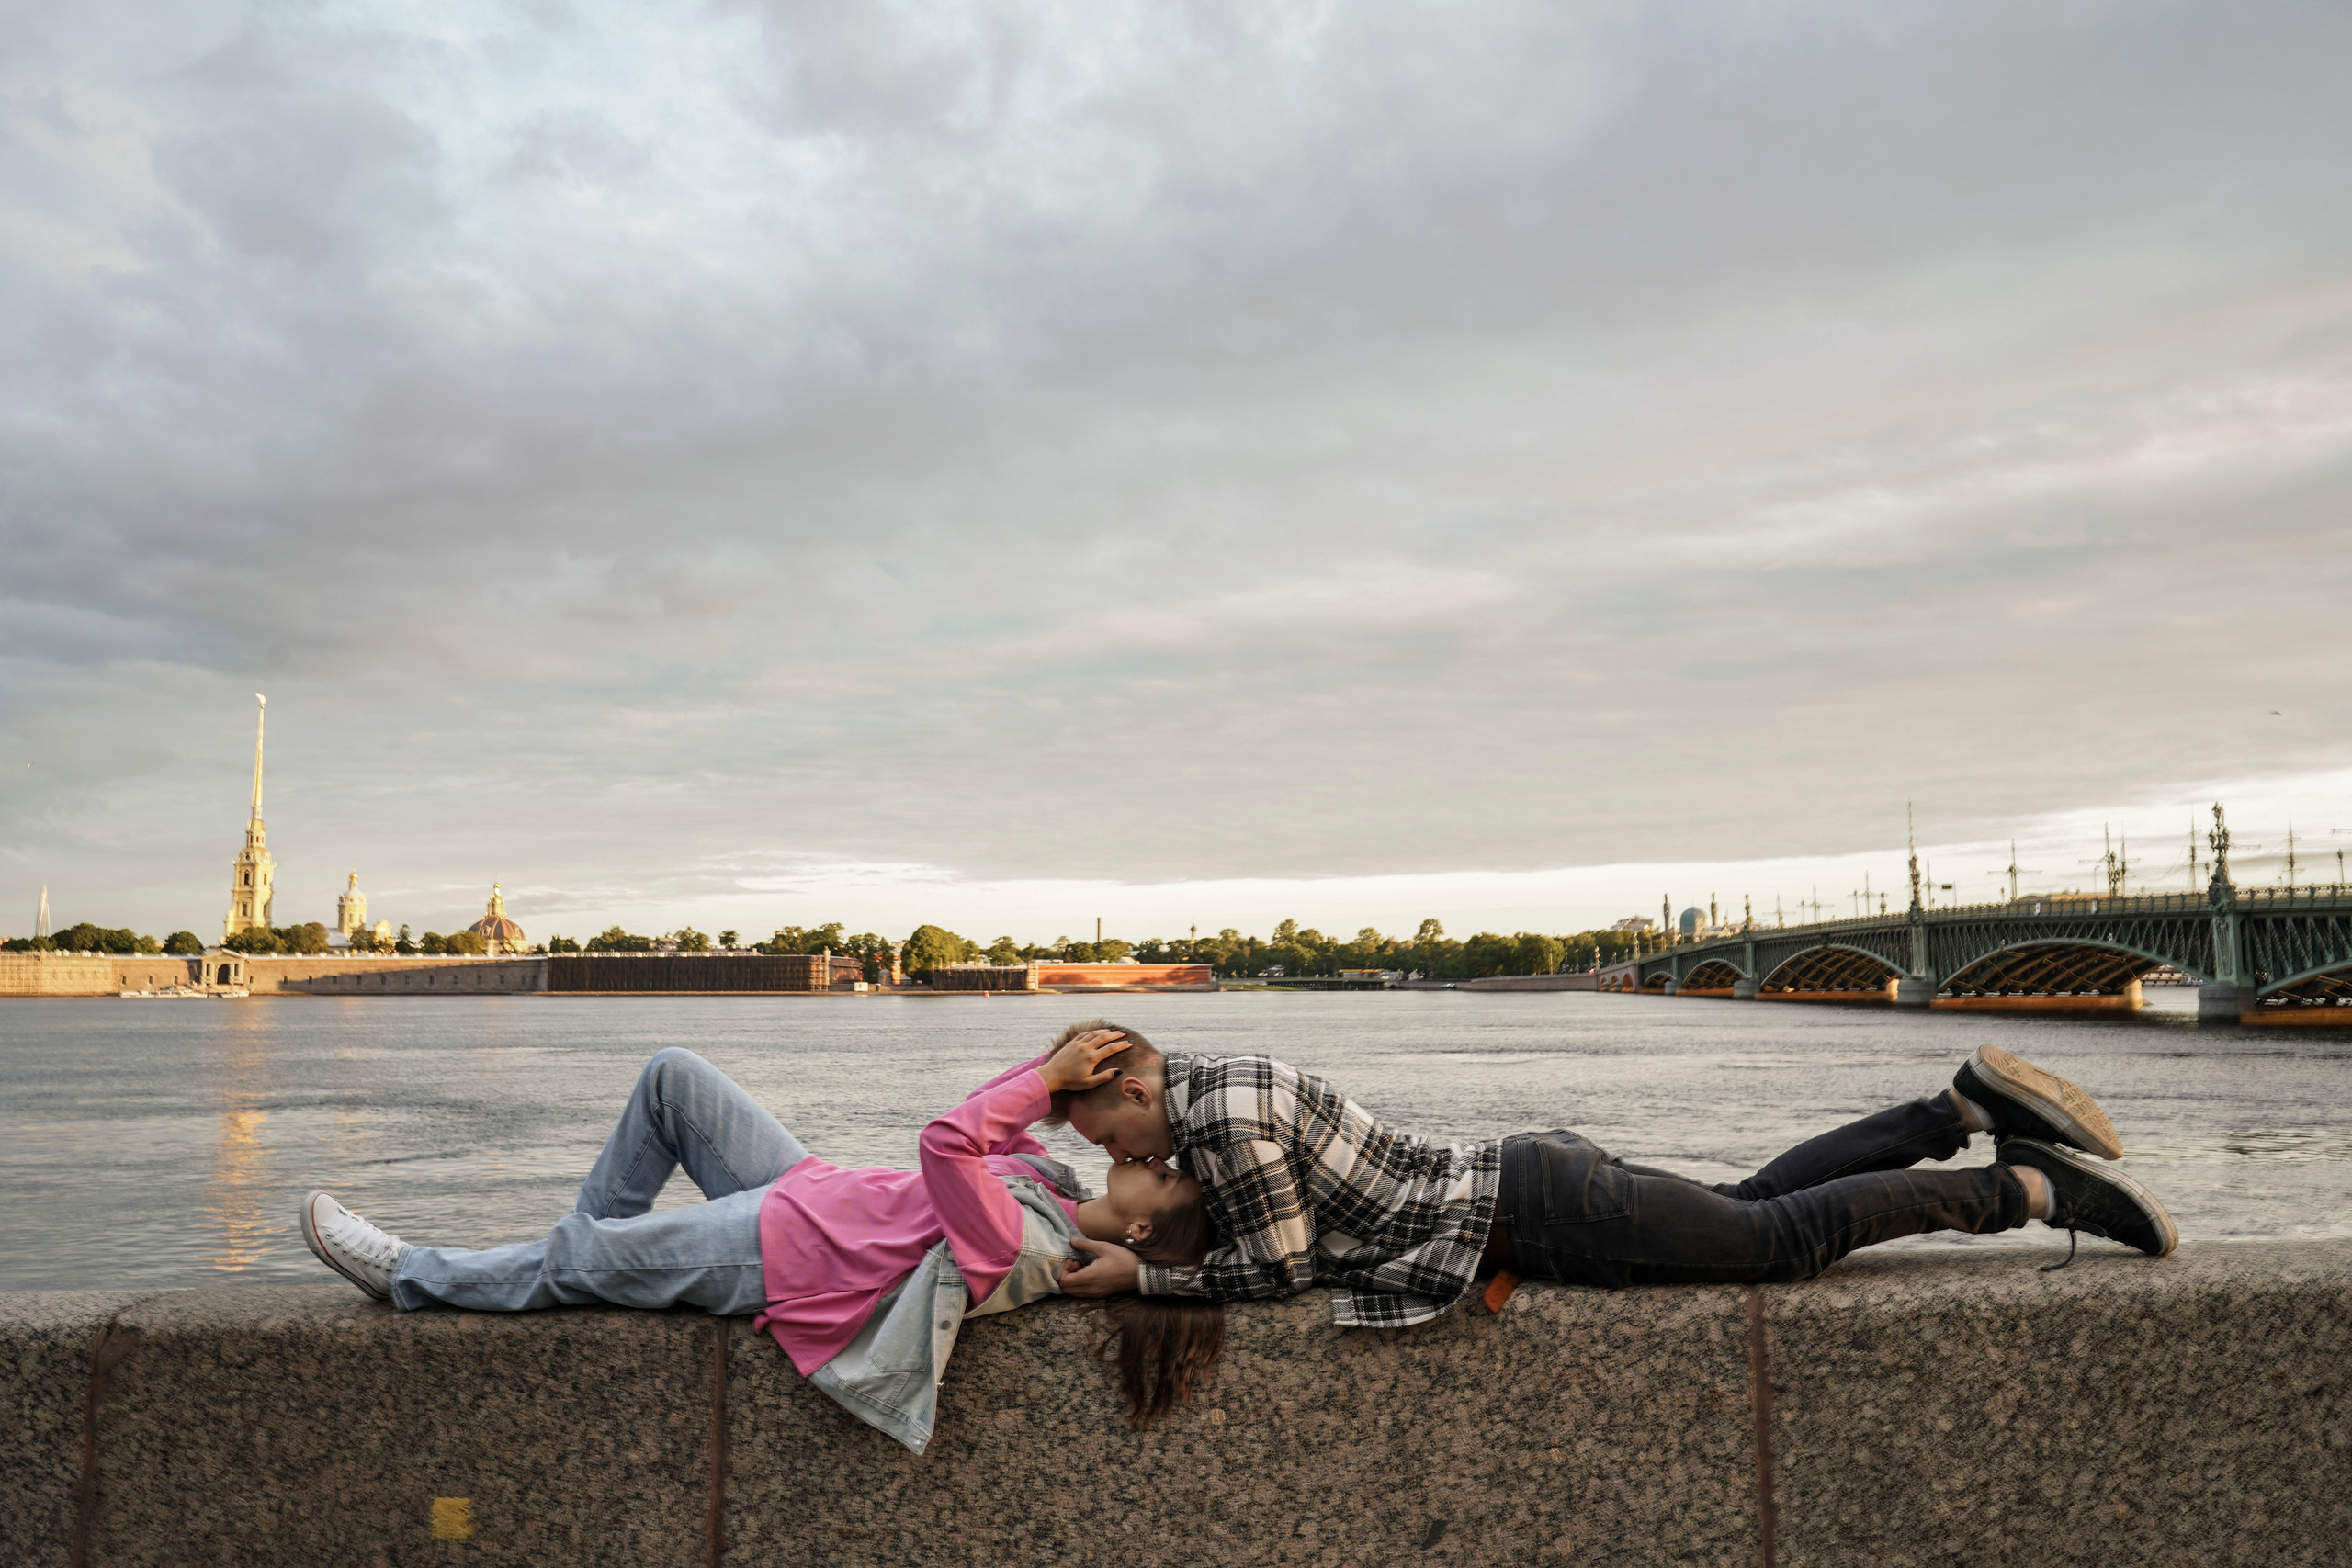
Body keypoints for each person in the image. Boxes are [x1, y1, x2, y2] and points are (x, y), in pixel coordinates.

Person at [298, 1030, 1224, 1446]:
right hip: (804, 1191)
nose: (1154, 1153)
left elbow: (947, 1140)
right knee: (674, 1077)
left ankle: (411, 1277)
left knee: (587, 1257)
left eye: (1165, 1170)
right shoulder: (1052, 1183)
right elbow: (1009, 1108)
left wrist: (1043, 1084)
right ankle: (576, 1266)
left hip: (780, 1253)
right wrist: (1068, 1063)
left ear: (1142, 1221)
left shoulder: (1024, 1248)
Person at [1055, 1032, 2176, 1323]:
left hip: (1530, 1213)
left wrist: (1142, 1283)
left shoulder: (1216, 1122)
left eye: (1101, 1132)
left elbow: (1280, 1269)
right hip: (1526, 1177)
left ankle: (2019, 1189)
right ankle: (1958, 1110)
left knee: (1776, 1245)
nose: (1113, 1159)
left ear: (1130, 1088)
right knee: (1750, 1209)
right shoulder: (1222, 1075)